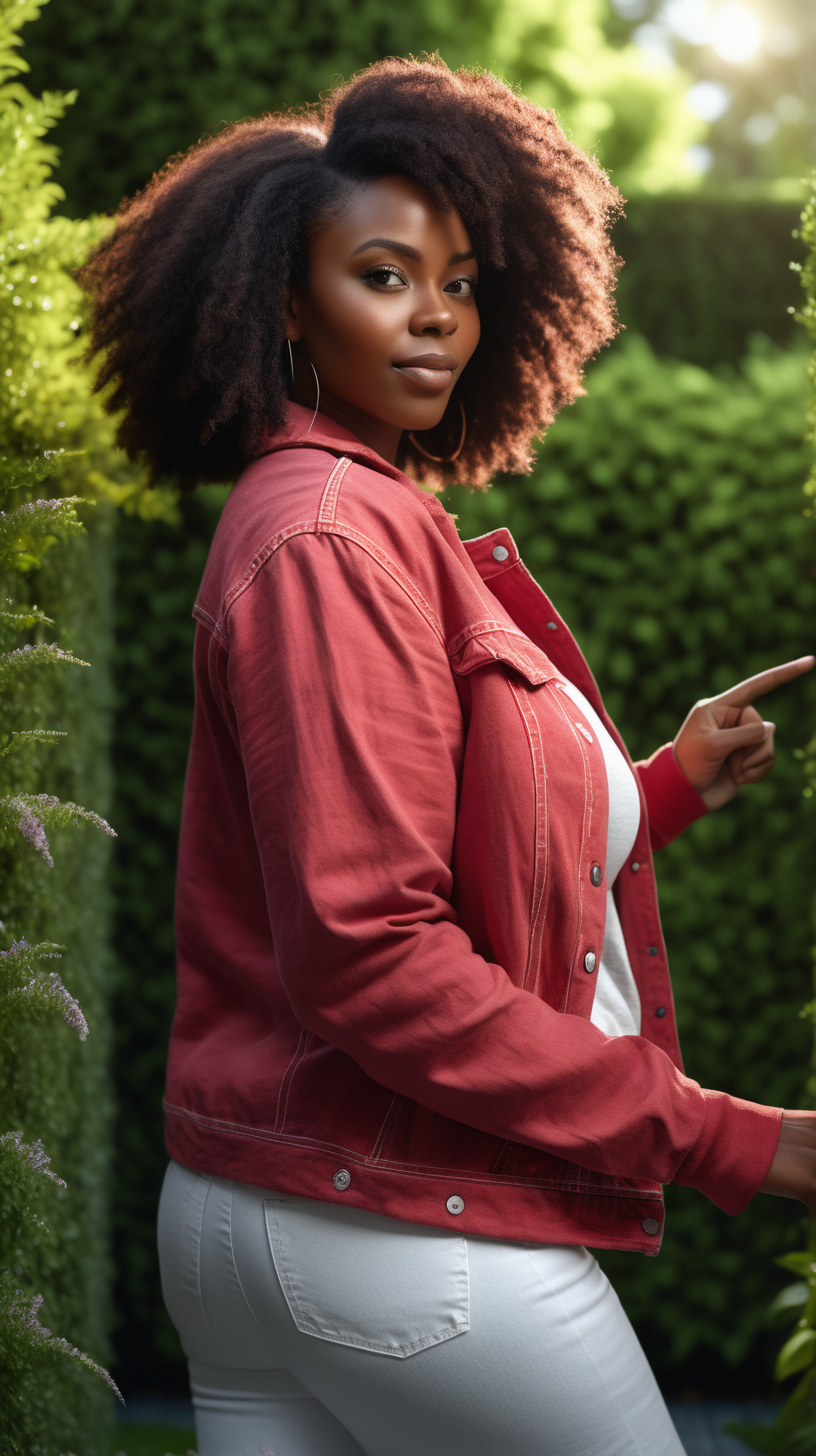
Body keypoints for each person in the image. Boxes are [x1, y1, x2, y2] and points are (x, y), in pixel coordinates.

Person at [80, 57, 815, 1456]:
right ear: (284, 301)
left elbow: (435, 838)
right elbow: (369, 947)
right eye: (382, 275)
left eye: (463, 282)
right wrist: (733, 1138)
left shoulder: (362, 511)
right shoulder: (330, 540)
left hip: (272, 1214)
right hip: (390, 1224)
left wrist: (660, 790)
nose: (436, 318)